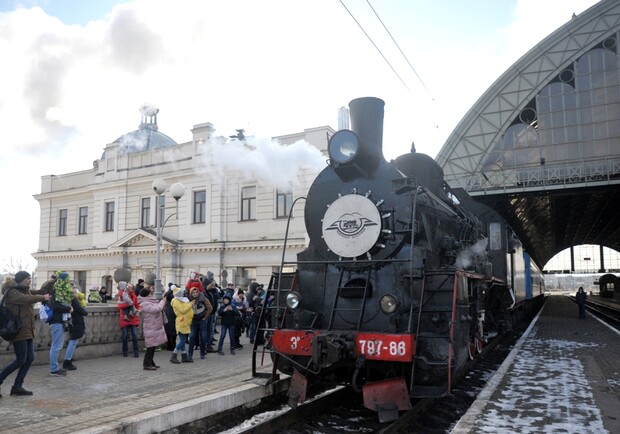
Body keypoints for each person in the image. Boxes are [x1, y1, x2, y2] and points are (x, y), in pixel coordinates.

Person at [0, 272, 50, 397]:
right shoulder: (11, 292)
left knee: (29, 358)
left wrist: (52, 281)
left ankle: (17, 386)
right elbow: (26, 299)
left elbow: (39, 291)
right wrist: (42, 298)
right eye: (28, 278)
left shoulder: (24, 290)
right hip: (18, 330)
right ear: (21, 279)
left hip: (28, 330)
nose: (30, 280)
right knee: (21, 360)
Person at [48, 272, 74, 377]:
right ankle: (54, 369)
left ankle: (55, 368)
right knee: (56, 346)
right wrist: (68, 308)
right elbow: (55, 306)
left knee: (57, 346)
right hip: (57, 321)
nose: (68, 282)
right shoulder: (56, 291)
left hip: (60, 321)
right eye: (67, 279)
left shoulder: (59, 290)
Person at [138, 285, 168, 370]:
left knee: (153, 345)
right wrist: (163, 302)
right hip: (150, 326)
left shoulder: (149, 301)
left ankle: (151, 362)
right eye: (150, 294)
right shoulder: (144, 303)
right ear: (147, 295)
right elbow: (156, 310)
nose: (151, 295)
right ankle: (146, 364)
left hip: (154, 326)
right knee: (150, 346)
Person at [62, 287, 88, 371]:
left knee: (72, 341)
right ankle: (67, 361)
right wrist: (85, 312)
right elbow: (80, 310)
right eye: (76, 292)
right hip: (76, 323)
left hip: (72, 322)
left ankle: (69, 358)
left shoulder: (67, 299)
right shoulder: (74, 300)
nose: (77, 293)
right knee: (73, 342)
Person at [188, 287, 213, 361]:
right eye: (193, 292)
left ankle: (202, 353)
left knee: (203, 337)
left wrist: (205, 317)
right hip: (193, 320)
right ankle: (190, 354)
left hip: (202, 320)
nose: (195, 294)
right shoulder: (188, 299)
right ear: (191, 293)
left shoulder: (203, 298)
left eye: (196, 292)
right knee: (192, 337)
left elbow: (210, 308)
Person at [170, 286, 194, 363]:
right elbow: (182, 310)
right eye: (180, 293)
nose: (182, 294)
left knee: (183, 339)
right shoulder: (176, 301)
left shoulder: (181, 300)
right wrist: (190, 304)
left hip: (185, 322)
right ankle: (174, 355)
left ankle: (184, 356)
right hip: (181, 322)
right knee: (183, 340)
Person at [117, 281, 141, 357]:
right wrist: (129, 304)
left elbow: (138, 306)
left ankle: (136, 352)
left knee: (134, 336)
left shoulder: (135, 297)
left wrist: (139, 310)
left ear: (133, 289)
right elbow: (119, 306)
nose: (128, 288)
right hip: (124, 318)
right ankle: (125, 352)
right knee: (124, 336)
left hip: (133, 318)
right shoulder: (122, 295)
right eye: (128, 287)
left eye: (130, 287)